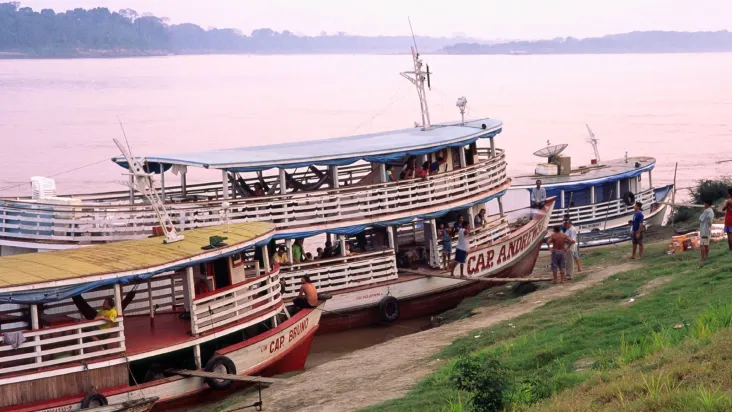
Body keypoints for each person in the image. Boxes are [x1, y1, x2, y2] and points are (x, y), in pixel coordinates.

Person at [699, 199, 715, 264]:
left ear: (707, 204)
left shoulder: (706, 211)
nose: (704, 205)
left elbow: (700, 218)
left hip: (704, 229)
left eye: (705, 203)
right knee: (706, 244)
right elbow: (710, 221)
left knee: (702, 244)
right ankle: (706, 256)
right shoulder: (711, 211)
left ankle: (703, 258)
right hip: (708, 229)